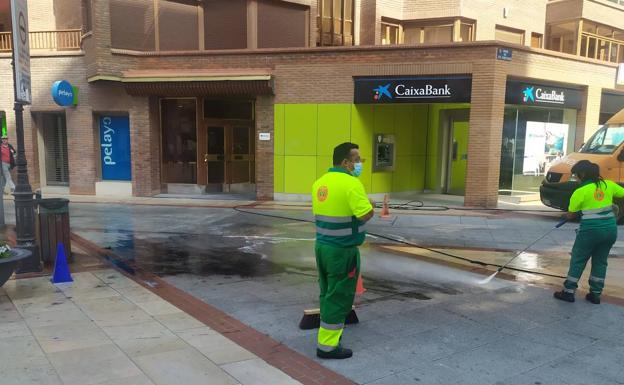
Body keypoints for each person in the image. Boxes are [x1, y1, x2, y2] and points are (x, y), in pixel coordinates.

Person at [311, 142, 374, 359]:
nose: (359, 164)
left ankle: (327, 329)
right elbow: (365, 214)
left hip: (322, 247)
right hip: (342, 250)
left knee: (327, 291)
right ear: (345, 162)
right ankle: (327, 346)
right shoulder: (351, 183)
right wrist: (370, 206)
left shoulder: (320, 183)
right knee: (339, 296)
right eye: (357, 160)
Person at [554, 160, 624, 304]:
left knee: (578, 259)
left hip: (590, 231)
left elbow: (571, 214)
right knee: (600, 261)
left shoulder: (580, 191)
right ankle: (595, 294)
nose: (576, 179)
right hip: (610, 230)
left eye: (576, 176)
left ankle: (568, 292)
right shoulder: (608, 185)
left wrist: (566, 215)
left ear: (583, 174)